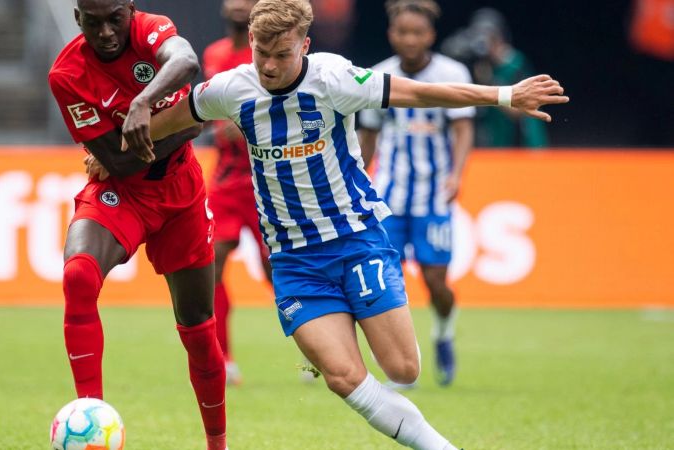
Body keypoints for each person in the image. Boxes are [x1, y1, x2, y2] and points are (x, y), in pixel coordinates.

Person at [123, 0, 567, 447]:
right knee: (341, 376)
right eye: (262, 53)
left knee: (403, 369)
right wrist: (112, 155)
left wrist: (506, 95)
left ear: (305, 46)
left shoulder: (334, 79)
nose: (269, 66)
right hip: (294, 261)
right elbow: (168, 122)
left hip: (356, 239)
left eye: (282, 54)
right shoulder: (231, 88)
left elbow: (420, 92)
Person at [47, 1, 228, 449]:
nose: (106, 32)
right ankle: (91, 422)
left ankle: (217, 444)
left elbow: (185, 61)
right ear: (77, 20)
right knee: (78, 274)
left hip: (180, 191)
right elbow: (118, 159)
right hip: (125, 192)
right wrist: (186, 123)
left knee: (197, 324)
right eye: (93, 22)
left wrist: (143, 106)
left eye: (115, 19)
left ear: (130, 11)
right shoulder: (66, 75)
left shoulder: (151, 30)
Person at [356, 0, 473, 387]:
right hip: (389, 198)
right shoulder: (379, 77)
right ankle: (403, 365)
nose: (409, 39)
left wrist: (456, 174)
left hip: (434, 196)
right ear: (391, 34)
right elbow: (367, 135)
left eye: (417, 32)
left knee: (436, 281)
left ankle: (443, 332)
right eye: (402, 32)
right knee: (387, 282)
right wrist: (356, 180)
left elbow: (462, 129)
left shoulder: (451, 73)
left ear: (431, 36)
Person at [202, 0, 270, 386]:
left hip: (265, 180)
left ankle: (315, 349)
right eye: (234, 1)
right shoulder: (213, 53)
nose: (239, 6)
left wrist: (245, 124)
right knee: (211, 264)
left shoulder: (264, 54)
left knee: (276, 272)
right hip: (226, 181)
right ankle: (222, 356)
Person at [442, 8, 549, 148]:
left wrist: (489, 81)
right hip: (490, 140)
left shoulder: (514, 63)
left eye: (489, 39)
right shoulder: (479, 63)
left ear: (499, 38)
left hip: (519, 142)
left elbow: (519, 111)